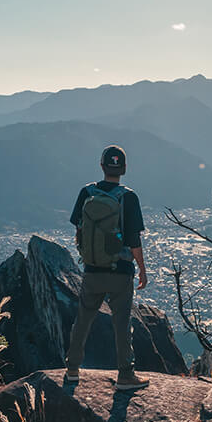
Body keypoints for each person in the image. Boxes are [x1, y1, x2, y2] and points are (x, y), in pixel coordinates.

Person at [64, 144, 150, 390]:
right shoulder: (128, 197)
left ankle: (72, 368)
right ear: (123, 168)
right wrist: (142, 269)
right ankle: (125, 374)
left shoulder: (87, 192)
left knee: (83, 319)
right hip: (120, 271)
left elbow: (78, 228)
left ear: (102, 166)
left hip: (92, 269)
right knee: (122, 323)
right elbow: (134, 240)